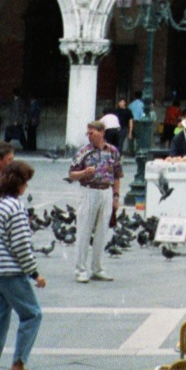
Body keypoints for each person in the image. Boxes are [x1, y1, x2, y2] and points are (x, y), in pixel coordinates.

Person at [0, 160, 44, 370]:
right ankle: (18, 366)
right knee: (32, 314)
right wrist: (34, 273)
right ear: (20, 185)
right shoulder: (15, 207)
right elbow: (21, 245)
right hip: (10, 271)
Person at [68, 120, 122, 284]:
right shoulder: (84, 152)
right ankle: (80, 269)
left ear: (101, 132)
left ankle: (97, 268)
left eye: (92, 132)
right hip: (88, 191)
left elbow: (117, 175)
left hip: (106, 191)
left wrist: (116, 197)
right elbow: (71, 174)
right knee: (84, 230)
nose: (89, 136)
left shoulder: (113, 151)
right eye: (88, 133)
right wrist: (84, 172)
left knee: (102, 232)